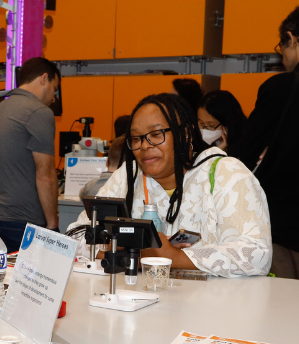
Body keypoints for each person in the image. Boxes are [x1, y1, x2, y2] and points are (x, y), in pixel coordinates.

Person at [69, 93, 272, 278]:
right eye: (137, 138)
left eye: (156, 134)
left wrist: (171, 257)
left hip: (211, 310)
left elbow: (257, 253)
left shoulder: (226, 174)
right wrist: (127, 250)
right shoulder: (128, 175)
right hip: (140, 304)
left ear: (185, 134)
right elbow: (75, 236)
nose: (146, 145)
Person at [240, 6, 299, 278]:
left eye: (282, 47)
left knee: (281, 308)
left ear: (292, 38)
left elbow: (243, 154)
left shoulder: (281, 88)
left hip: (283, 223)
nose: (283, 55)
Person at [0, 57, 61, 253]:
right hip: (25, 222)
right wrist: (53, 226)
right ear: (44, 78)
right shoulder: (39, 112)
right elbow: (46, 175)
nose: (54, 98)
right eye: (54, 88)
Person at [197, 90, 247, 157]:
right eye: (201, 124)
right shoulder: (196, 142)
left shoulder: (245, 143)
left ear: (227, 123)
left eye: (211, 125)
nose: (205, 130)